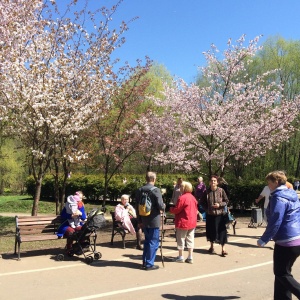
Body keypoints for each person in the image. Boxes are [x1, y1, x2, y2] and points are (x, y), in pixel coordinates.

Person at [257, 171, 300, 300]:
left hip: (286, 241)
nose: (268, 186)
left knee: (281, 273)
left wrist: (264, 239)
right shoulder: (292, 194)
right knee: (282, 273)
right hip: (295, 239)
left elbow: (276, 220)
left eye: (269, 183)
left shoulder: (278, 197)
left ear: (276, 182)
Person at [135, 171, 165, 271]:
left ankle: (145, 261)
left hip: (143, 218)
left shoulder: (140, 190)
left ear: (146, 179)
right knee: (153, 242)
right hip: (153, 220)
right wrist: (164, 206)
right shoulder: (156, 190)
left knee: (147, 241)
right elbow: (160, 206)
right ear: (153, 179)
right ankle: (149, 264)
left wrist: (139, 220)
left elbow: (137, 206)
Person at [200, 175, 229, 257]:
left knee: (222, 231)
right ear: (209, 182)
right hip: (210, 215)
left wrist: (219, 205)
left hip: (220, 214)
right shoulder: (206, 192)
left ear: (217, 182)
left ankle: (223, 249)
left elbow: (226, 201)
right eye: (211, 181)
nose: (213, 182)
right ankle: (212, 246)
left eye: (214, 181)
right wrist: (207, 209)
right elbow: (202, 202)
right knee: (211, 231)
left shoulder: (221, 190)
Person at [169, 181, 198, 264]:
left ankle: (181, 256)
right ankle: (190, 256)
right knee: (190, 239)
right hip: (192, 221)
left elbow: (177, 209)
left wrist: (171, 209)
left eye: (181, 187)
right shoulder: (193, 197)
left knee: (181, 239)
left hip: (183, 221)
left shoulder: (182, 198)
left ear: (185, 188)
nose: (180, 188)